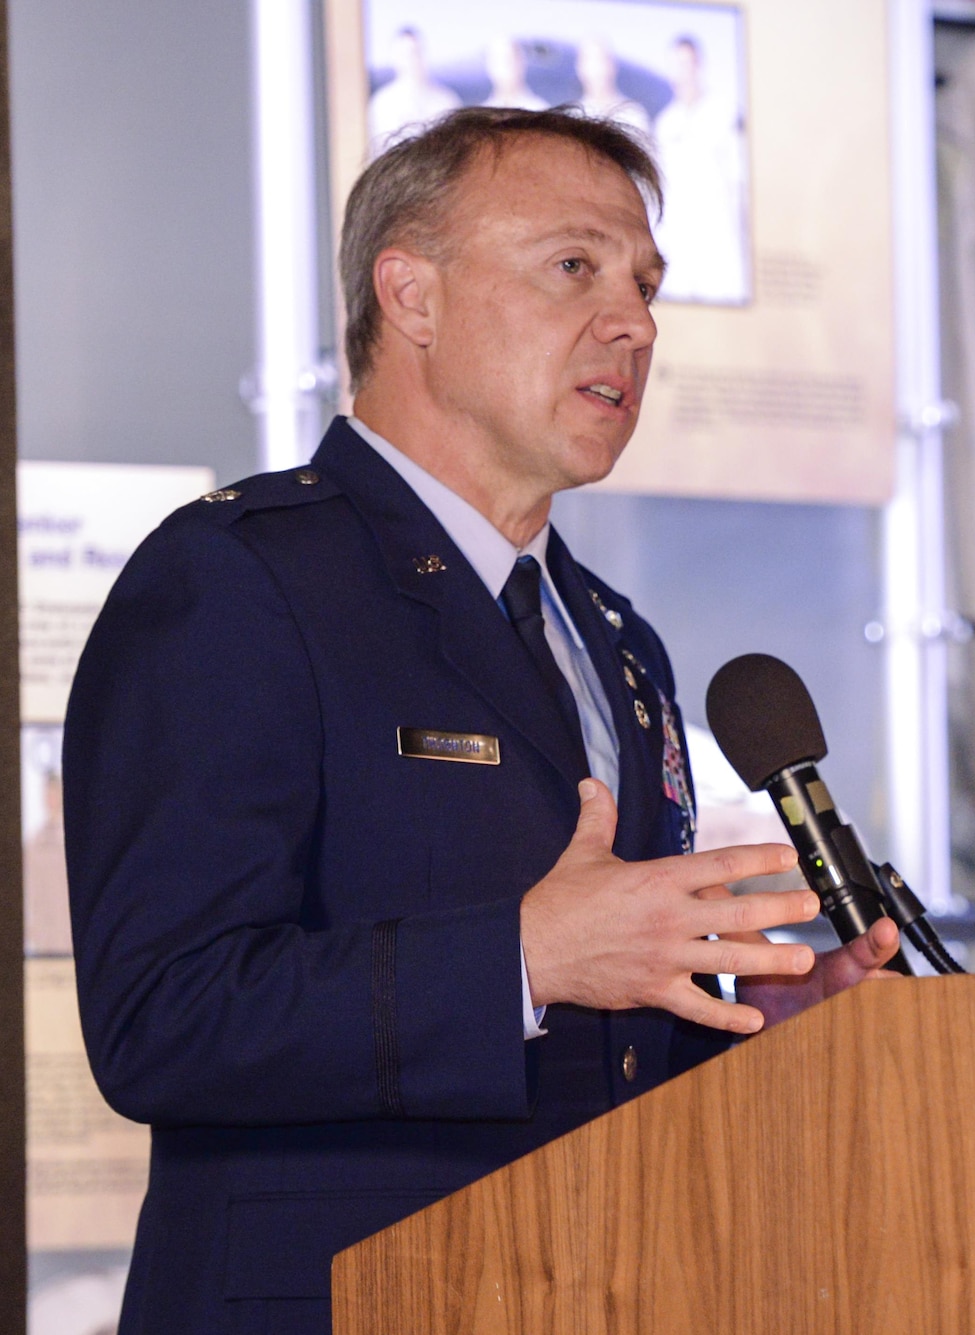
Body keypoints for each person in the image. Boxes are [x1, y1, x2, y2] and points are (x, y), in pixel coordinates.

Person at [63, 107, 899, 1335]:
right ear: (410, 295)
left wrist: (744, 1035)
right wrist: (523, 958)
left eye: (646, 285)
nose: (635, 322)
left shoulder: (614, 638)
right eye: (575, 267)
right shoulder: (238, 581)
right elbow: (161, 1020)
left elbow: (596, 1058)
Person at [652, 35, 750, 303]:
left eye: (686, 63)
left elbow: (740, 181)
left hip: (719, 239)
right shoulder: (665, 122)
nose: (681, 71)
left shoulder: (724, 112)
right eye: (675, 64)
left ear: (698, 65)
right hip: (680, 244)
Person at [366, 26, 461, 154]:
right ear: (394, 56)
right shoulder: (381, 103)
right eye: (405, 54)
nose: (412, 59)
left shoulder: (446, 100)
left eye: (416, 52)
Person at [575, 36, 653, 144]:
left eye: (601, 59)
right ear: (579, 68)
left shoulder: (633, 114)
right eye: (590, 60)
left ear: (612, 65)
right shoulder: (573, 116)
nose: (597, 69)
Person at [481, 36, 548, 111]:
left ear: (521, 63)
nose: (503, 69)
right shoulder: (481, 115)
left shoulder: (538, 109)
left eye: (508, 60)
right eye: (497, 62)